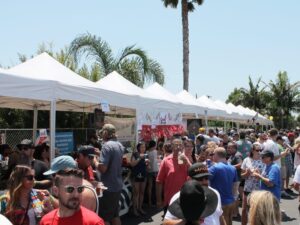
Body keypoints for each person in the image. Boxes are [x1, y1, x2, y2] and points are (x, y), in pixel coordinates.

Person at [40, 168, 104, 225]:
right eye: (70, 189)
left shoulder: (94, 222)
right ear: (56, 191)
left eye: (80, 189)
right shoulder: (46, 221)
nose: (76, 194)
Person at [94, 124, 123, 225]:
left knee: (104, 218)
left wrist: (94, 161)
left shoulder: (106, 146)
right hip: (117, 185)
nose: (102, 136)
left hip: (108, 187)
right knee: (115, 215)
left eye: (102, 133)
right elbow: (113, 160)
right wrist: (100, 154)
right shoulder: (119, 144)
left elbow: (103, 169)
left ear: (106, 133)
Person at [156, 138, 189, 215]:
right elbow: (159, 181)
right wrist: (159, 200)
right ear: (172, 147)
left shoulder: (185, 159)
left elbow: (193, 175)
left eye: (180, 145)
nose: (178, 147)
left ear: (182, 147)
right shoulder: (166, 160)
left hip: (184, 198)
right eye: (176, 145)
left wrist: (187, 163)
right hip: (170, 199)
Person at [208, 147, 238, 225]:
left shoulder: (214, 168)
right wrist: (234, 198)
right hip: (230, 201)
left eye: (213, 154)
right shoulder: (232, 168)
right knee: (229, 221)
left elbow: (204, 180)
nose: (212, 156)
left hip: (219, 202)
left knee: (221, 222)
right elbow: (235, 185)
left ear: (217, 155)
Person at [240, 142, 264, 225]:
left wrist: (259, 174)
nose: (260, 152)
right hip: (248, 188)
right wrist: (246, 173)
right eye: (258, 150)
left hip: (259, 189)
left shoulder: (263, 160)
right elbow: (242, 176)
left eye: (261, 150)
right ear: (252, 150)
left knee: (257, 210)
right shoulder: (246, 160)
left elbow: (266, 175)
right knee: (244, 209)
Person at [130, 142, 148, 216]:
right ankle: (135, 209)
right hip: (136, 175)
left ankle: (140, 208)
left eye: (144, 147)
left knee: (142, 192)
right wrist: (140, 158)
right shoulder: (135, 154)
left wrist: (147, 164)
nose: (143, 148)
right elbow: (132, 164)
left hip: (143, 175)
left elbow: (146, 166)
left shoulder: (146, 154)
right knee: (136, 193)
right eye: (142, 147)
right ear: (138, 148)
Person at [146, 140, 159, 208]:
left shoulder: (147, 152)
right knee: (156, 186)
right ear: (154, 145)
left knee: (150, 186)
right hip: (155, 170)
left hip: (149, 170)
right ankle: (156, 200)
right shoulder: (155, 151)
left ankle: (149, 201)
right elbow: (157, 160)